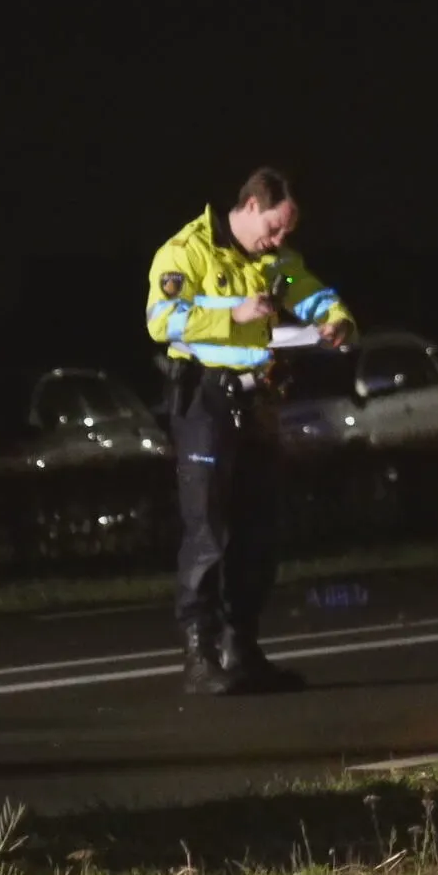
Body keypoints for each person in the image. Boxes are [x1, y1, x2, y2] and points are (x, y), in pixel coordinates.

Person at [145, 167, 356, 695]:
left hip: (256, 401)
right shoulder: (187, 251)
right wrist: (232, 311)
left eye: (287, 232)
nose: (281, 240)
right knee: (208, 530)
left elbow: (307, 291)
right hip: (204, 400)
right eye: (276, 227)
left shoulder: (274, 260)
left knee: (258, 530)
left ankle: (242, 647)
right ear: (251, 206)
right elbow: (161, 319)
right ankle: (199, 654)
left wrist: (336, 319)